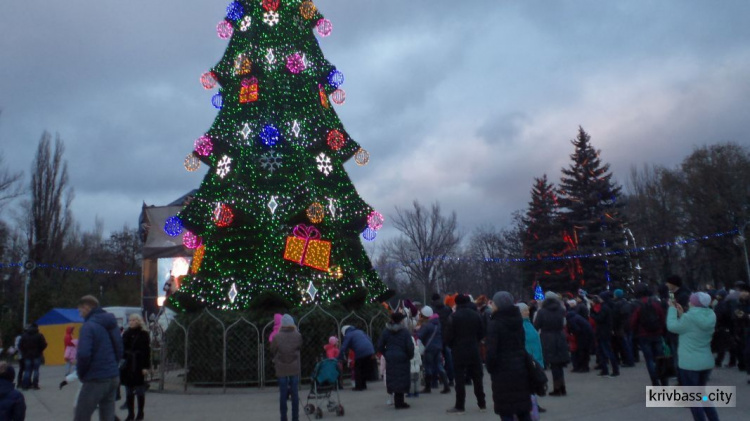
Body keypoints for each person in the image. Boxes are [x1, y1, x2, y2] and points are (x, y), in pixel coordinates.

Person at [667, 292, 720, 421]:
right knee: (702, 394)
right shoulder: (711, 315)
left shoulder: (689, 317)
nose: (689, 302)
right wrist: (682, 315)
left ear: (694, 303)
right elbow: (693, 325)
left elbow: (672, 327)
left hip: (689, 364)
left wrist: (672, 310)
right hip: (705, 362)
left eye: (691, 301)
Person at [75, 295, 124, 421]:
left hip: (96, 377)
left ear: (87, 307)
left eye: (80, 311)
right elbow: (119, 348)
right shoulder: (111, 324)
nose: (80, 315)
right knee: (107, 416)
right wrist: (113, 366)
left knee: (81, 415)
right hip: (113, 376)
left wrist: (82, 374)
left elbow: (83, 354)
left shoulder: (88, 326)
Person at [486, 292, 532, 421]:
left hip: (502, 371)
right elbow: (522, 344)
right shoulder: (518, 320)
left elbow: (491, 351)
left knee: (506, 410)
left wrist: (491, 367)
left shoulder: (495, 324)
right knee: (522, 407)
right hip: (520, 368)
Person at [443, 294, 486, 414]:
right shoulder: (476, 315)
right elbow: (482, 332)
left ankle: (460, 405)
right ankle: (482, 403)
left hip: (459, 350)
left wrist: (452, 345)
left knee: (460, 378)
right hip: (474, 348)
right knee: (477, 377)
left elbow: (447, 336)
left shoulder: (453, 316)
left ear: (456, 303)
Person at [534, 291, 570, 396]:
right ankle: (562, 386)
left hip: (548, 338)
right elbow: (564, 323)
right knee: (559, 364)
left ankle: (557, 388)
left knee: (554, 364)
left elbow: (537, 325)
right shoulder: (561, 310)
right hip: (560, 336)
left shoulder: (542, 312)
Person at [630, 283, 666, 386]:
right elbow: (662, 316)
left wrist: (635, 332)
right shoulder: (655, 302)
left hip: (644, 335)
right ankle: (664, 380)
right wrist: (662, 329)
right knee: (660, 357)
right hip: (657, 333)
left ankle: (655, 382)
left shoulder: (637, 304)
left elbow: (633, 321)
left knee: (649, 360)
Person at [377, 312, 414, 409]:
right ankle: (400, 402)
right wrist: (409, 356)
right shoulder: (405, 332)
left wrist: (387, 353)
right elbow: (410, 346)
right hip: (402, 356)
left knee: (393, 377)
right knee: (402, 377)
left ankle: (398, 401)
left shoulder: (386, 331)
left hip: (391, 356)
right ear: (401, 320)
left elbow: (380, 345)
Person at [270, 314, 302, 421]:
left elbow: (272, 349)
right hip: (294, 367)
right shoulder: (298, 335)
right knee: (295, 394)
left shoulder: (277, 337)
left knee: (283, 394)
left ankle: (283, 418)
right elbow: (299, 347)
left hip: (281, 367)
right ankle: (295, 418)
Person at [120, 314, 150, 421]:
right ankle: (130, 414)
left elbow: (146, 351)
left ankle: (140, 413)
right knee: (128, 391)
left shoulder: (144, 334)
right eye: (130, 320)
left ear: (138, 321)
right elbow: (122, 349)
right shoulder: (126, 333)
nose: (131, 322)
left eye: (133, 320)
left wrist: (146, 367)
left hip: (139, 364)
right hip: (128, 365)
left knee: (139, 390)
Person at [416, 306, 450, 394]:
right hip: (438, 347)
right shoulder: (437, 324)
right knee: (439, 366)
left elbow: (420, 335)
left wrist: (416, 330)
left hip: (429, 348)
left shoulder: (427, 325)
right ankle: (446, 385)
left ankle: (428, 387)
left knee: (428, 367)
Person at [591, 291, 620, 377]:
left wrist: (592, 314)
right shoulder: (606, 307)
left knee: (607, 351)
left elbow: (599, 319)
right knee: (602, 351)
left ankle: (614, 369)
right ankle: (605, 369)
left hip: (603, 332)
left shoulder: (605, 308)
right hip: (603, 332)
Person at [339, 325, 375, 391]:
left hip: (360, 351)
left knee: (357, 369)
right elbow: (369, 339)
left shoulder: (348, 335)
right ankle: (363, 385)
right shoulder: (360, 331)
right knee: (363, 368)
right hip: (370, 350)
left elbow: (344, 347)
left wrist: (339, 357)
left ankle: (358, 387)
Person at [565, 301, 593, 373]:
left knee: (582, 351)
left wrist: (572, 334)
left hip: (583, 335)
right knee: (586, 351)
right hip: (589, 333)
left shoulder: (571, 319)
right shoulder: (577, 316)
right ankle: (585, 366)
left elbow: (577, 329)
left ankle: (583, 367)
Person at [18, 323, 47, 390]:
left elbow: (20, 345)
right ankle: (35, 385)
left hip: (27, 355)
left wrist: (24, 352)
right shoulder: (39, 335)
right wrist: (40, 350)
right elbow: (44, 344)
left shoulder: (24, 335)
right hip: (37, 355)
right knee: (36, 370)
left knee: (27, 370)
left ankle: (26, 385)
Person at [611, 289, 635, 367]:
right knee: (629, 344)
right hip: (628, 325)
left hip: (621, 327)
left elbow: (616, 317)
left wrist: (614, 327)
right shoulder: (627, 303)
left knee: (624, 344)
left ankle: (628, 361)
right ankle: (630, 359)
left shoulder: (617, 304)